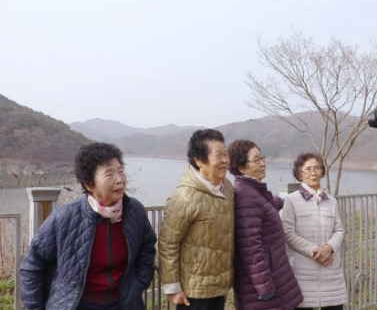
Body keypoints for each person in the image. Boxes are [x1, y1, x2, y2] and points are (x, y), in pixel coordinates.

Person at [20, 142, 157, 310]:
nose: (120, 179)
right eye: (109, 174)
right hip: (77, 305)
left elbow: (147, 246)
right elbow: (32, 266)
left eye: (121, 171)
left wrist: (139, 283)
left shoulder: (134, 210)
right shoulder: (64, 218)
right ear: (89, 184)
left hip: (125, 304)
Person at [158, 129, 235, 310]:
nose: (225, 160)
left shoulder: (228, 188)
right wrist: (172, 287)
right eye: (218, 155)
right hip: (193, 290)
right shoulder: (184, 196)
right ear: (199, 160)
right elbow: (168, 244)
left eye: (226, 154)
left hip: (219, 285)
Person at [227, 139, 303, 310]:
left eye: (262, 158)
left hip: (275, 272)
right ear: (240, 167)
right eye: (256, 160)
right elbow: (250, 245)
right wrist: (264, 285)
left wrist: (282, 201)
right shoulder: (245, 196)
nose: (262, 163)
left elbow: (264, 206)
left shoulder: (253, 191)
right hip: (263, 284)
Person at [281, 153, 348, 310]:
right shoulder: (292, 200)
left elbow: (339, 230)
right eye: (308, 169)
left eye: (317, 168)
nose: (313, 172)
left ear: (322, 171)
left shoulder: (331, 201)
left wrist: (329, 248)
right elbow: (288, 233)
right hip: (303, 271)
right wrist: (316, 251)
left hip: (330, 269)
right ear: (299, 174)